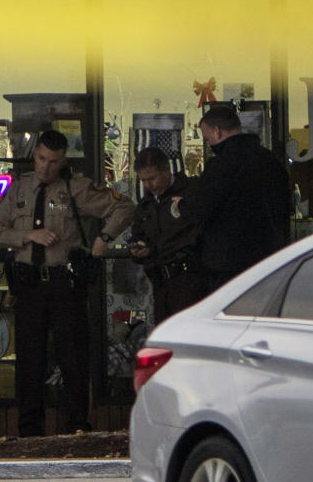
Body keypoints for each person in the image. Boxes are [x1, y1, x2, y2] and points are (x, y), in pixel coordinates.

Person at [0, 129, 134, 437]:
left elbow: (123, 207)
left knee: (73, 357)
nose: (45, 167)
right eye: (41, 159)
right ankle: (29, 430)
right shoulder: (19, 188)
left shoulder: (75, 188)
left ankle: (78, 426)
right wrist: (26, 235)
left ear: (63, 160)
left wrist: (103, 238)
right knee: (30, 358)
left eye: (53, 161)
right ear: (34, 155)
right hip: (28, 283)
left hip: (64, 283)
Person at [171, 103, 293, 289]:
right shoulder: (270, 161)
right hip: (268, 260)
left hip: (228, 263)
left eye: (207, 138)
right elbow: (285, 208)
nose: (209, 143)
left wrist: (181, 206)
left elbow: (202, 209)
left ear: (217, 132)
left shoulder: (220, 165)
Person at [126, 146, 208, 324]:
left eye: (152, 178)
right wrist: (137, 248)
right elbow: (138, 234)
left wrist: (153, 248)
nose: (149, 185)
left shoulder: (191, 192)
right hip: (160, 281)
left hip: (189, 276)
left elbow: (189, 234)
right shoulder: (146, 205)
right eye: (143, 180)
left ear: (166, 170)